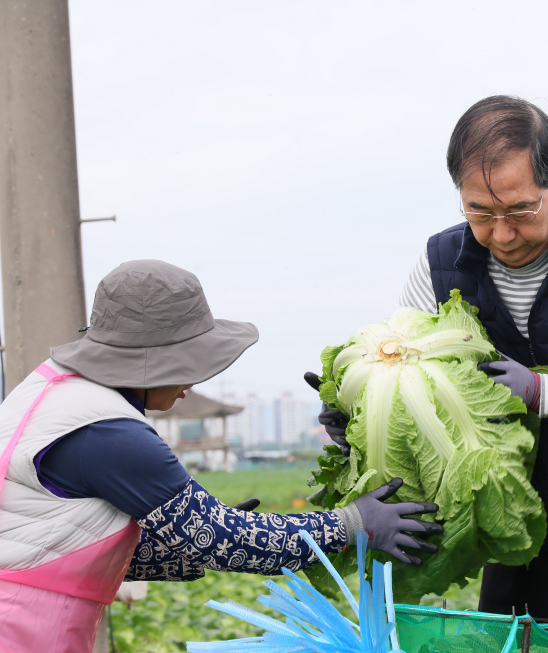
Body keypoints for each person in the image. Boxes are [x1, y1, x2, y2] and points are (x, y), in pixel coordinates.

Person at [316, 96, 548, 652]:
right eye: (479, 213)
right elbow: (413, 377)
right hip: (518, 531)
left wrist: (540, 390)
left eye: (520, 210)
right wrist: (355, 409)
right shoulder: (440, 261)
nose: (501, 234)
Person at [0, 260, 442, 653]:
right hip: (24, 627)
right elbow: (220, 539)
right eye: (187, 365)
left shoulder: (53, 391)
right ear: (151, 360)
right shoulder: (109, 434)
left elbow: (66, 540)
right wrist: (350, 524)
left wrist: (195, 537)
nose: (190, 384)